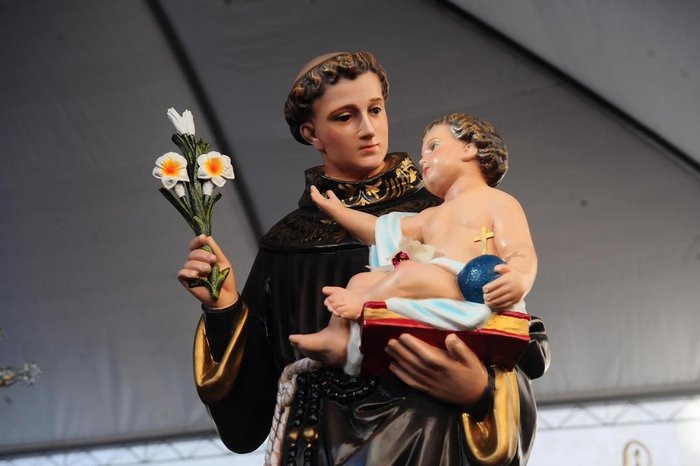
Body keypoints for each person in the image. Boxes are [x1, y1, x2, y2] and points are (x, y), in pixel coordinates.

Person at [178, 51, 550, 466]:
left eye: (375, 109)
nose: (368, 129)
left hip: (429, 432)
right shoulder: (286, 244)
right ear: (312, 133)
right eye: (344, 117)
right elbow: (250, 412)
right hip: (319, 443)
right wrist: (224, 306)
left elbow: (520, 344)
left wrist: (480, 391)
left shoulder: (443, 210)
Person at [289, 112, 537, 374]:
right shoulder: (429, 215)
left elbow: (521, 251)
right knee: (361, 280)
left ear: (469, 148)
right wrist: (339, 211)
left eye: (434, 147)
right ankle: (336, 337)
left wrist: (519, 279)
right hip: (431, 280)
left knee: (408, 272)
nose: (422, 159)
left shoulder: (498, 201)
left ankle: (363, 303)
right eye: (423, 151)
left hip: (465, 285)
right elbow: (380, 229)